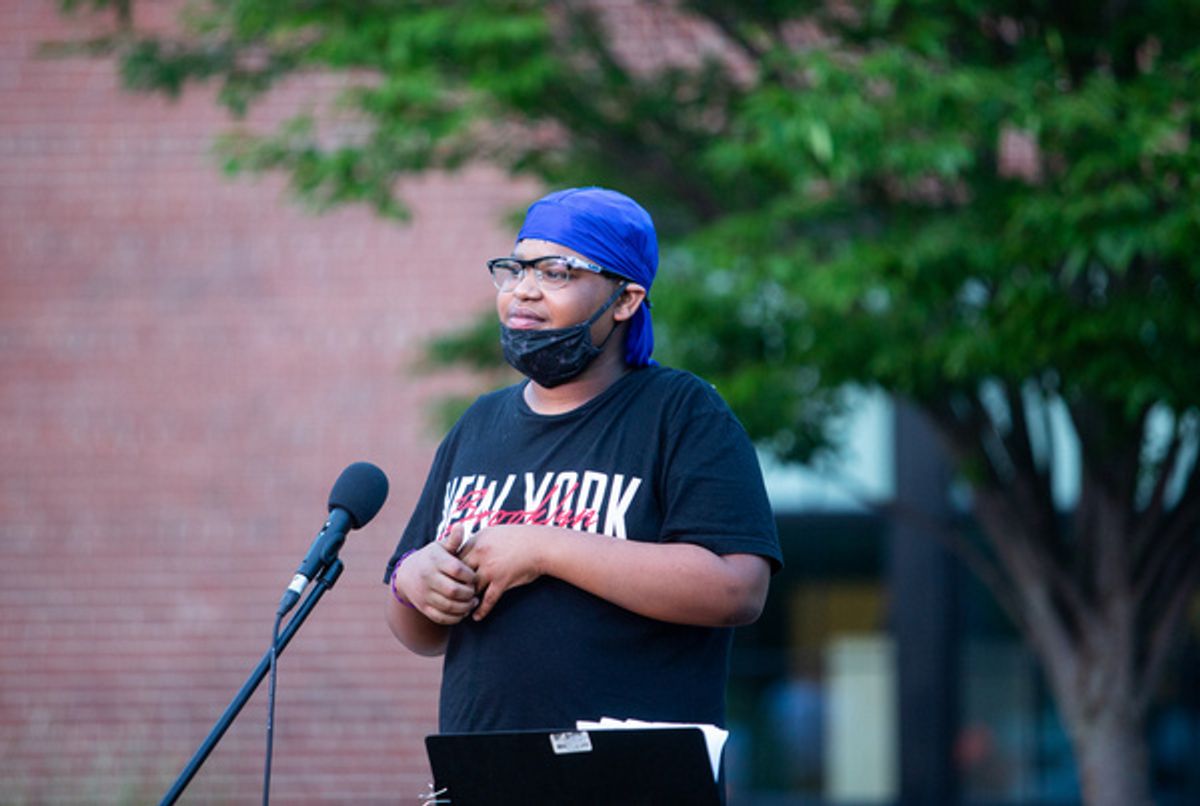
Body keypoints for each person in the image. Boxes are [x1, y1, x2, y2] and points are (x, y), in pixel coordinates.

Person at [384, 187, 782, 735]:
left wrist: (545, 547)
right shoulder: (478, 424)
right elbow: (421, 634)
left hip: (632, 779)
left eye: (556, 273)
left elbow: (737, 590)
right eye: (515, 270)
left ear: (625, 300)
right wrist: (414, 579)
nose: (523, 292)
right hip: (486, 773)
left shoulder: (681, 412)